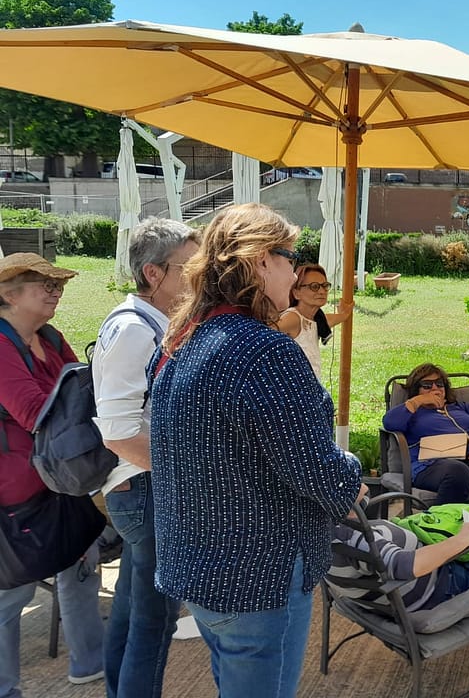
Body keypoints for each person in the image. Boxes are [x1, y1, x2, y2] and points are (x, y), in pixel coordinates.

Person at [148, 204, 363, 698]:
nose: (295, 273)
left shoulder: (183, 339)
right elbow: (314, 467)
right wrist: (352, 474)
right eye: (291, 258)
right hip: (257, 575)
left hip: (200, 569)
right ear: (262, 260)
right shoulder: (264, 351)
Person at [93, 218, 199, 698]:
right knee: (154, 623)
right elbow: (117, 432)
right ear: (153, 273)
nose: (198, 276)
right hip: (145, 487)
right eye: (189, 267)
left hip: (143, 486)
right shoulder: (135, 329)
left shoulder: (149, 324)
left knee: (133, 612)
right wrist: (184, 472)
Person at [0, 253, 105, 695]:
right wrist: (81, 407)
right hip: (17, 487)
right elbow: (35, 413)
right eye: (44, 284)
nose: (55, 291)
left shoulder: (50, 335)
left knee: (81, 562)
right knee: (12, 593)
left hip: (64, 475)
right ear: (9, 295)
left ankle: (90, 661)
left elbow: (84, 392)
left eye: (58, 285)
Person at [327, 484, 469, 644]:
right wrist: (462, 539)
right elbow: (405, 566)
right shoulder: (351, 539)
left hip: (395, 588)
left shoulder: (323, 527)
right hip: (439, 586)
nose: (360, 486)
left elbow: (364, 493)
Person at [382, 363, 469, 537]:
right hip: (430, 466)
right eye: (427, 385)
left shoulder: (459, 407)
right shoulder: (411, 411)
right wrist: (418, 401)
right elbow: (390, 423)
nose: (435, 389)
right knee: (457, 471)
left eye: (439, 384)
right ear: (416, 389)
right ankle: (441, 535)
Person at [275, 263, 349, 380]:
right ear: (296, 293)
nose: (322, 291)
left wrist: (344, 315)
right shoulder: (293, 318)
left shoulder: (316, 319)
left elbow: (330, 320)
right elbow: (263, 336)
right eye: (314, 286)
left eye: (325, 286)